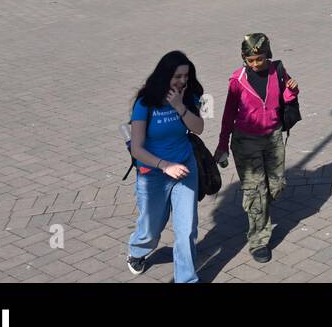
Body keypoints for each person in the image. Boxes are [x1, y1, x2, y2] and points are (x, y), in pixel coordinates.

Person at [214, 33, 299, 264]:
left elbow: (286, 98)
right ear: (244, 58)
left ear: (267, 55)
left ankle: (261, 211)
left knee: (276, 186)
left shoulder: (277, 71)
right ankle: (259, 240)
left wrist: (292, 91)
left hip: (272, 137)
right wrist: (222, 145)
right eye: (250, 60)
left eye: (259, 59)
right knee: (255, 191)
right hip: (245, 141)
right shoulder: (237, 79)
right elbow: (228, 114)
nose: (255, 64)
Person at [126, 50, 205, 282]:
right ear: (164, 76)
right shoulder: (145, 103)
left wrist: (180, 106)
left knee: (186, 229)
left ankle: (186, 278)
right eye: (177, 76)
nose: (182, 81)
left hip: (185, 168)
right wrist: (165, 165)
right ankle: (137, 250)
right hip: (153, 174)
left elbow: (198, 128)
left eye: (186, 76)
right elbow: (137, 148)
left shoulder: (189, 97)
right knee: (151, 227)